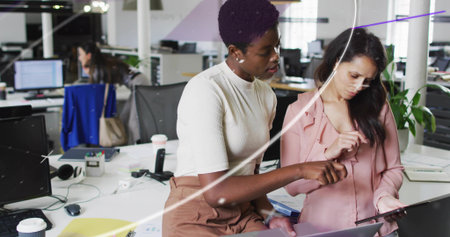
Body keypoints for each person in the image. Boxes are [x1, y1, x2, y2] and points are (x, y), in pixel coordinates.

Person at [161, 0, 348, 236]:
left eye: (277, 47)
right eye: (265, 51)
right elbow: (216, 193)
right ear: (235, 52)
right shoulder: (206, 90)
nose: (275, 57)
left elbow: (252, 172)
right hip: (197, 214)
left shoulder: (265, 94)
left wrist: (269, 214)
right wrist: (299, 170)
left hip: (242, 211)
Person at [281, 28, 404, 237]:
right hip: (320, 229)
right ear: (337, 61)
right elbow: (290, 185)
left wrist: (384, 197)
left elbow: (394, 167)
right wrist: (328, 152)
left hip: (375, 228)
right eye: (354, 75)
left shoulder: (379, 107)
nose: (359, 86)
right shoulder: (299, 112)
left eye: (368, 80)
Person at [77, 42, 150, 143]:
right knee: (124, 117)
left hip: (140, 84)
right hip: (137, 83)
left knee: (134, 121)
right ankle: (127, 144)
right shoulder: (101, 64)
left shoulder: (98, 68)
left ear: (88, 55)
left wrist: (90, 74)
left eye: (80, 54)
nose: (79, 58)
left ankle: (137, 146)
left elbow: (99, 91)